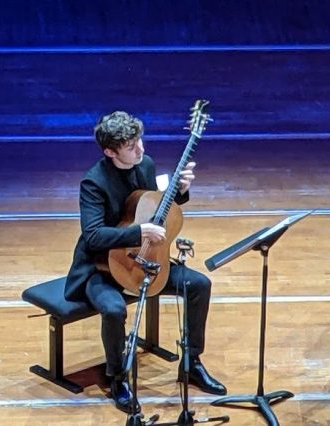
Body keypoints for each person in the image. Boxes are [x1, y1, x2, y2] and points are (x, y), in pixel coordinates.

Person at [64, 111, 226, 413]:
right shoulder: (93, 183)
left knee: (199, 285)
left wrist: (180, 193)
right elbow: (93, 237)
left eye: (140, 140)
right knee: (113, 309)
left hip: (146, 260)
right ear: (110, 152)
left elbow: (154, 207)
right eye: (130, 146)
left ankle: (191, 362)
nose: (140, 149)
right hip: (102, 267)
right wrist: (139, 232)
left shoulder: (145, 164)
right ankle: (117, 377)